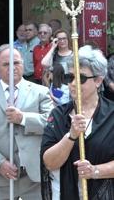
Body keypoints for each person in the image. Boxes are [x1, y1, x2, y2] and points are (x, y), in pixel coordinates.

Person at [0, 44, 53, 199]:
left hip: (34, 177)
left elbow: (51, 124)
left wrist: (23, 119)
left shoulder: (40, 92)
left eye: (16, 63)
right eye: (6, 64)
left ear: (22, 63)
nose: (12, 68)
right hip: (1, 177)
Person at [41, 45, 113, 200]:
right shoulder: (59, 115)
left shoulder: (112, 114)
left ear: (98, 81)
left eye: (81, 78)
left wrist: (95, 171)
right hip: (65, 194)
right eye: (70, 77)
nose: (73, 83)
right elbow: (49, 163)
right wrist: (71, 136)